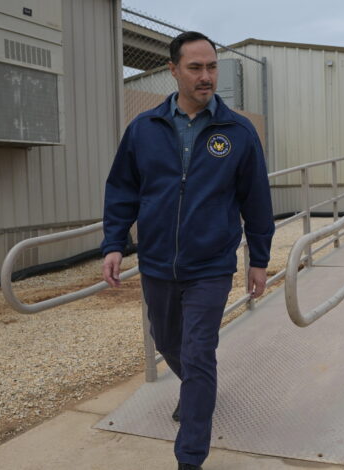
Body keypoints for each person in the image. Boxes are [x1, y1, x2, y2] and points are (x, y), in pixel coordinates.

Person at [100, 31, 275, 470]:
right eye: (195, 68)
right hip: (157, 262)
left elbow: (256, 199)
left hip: (210, 264)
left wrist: (259, 259)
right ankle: (198, 390)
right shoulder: (144, 129)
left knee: (198, 352)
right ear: (173, 70)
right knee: (167, 341)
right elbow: (122, 190)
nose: (206, 76)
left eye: (211, 67)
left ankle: (190, 456)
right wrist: (114, 244)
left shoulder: (237, 131)